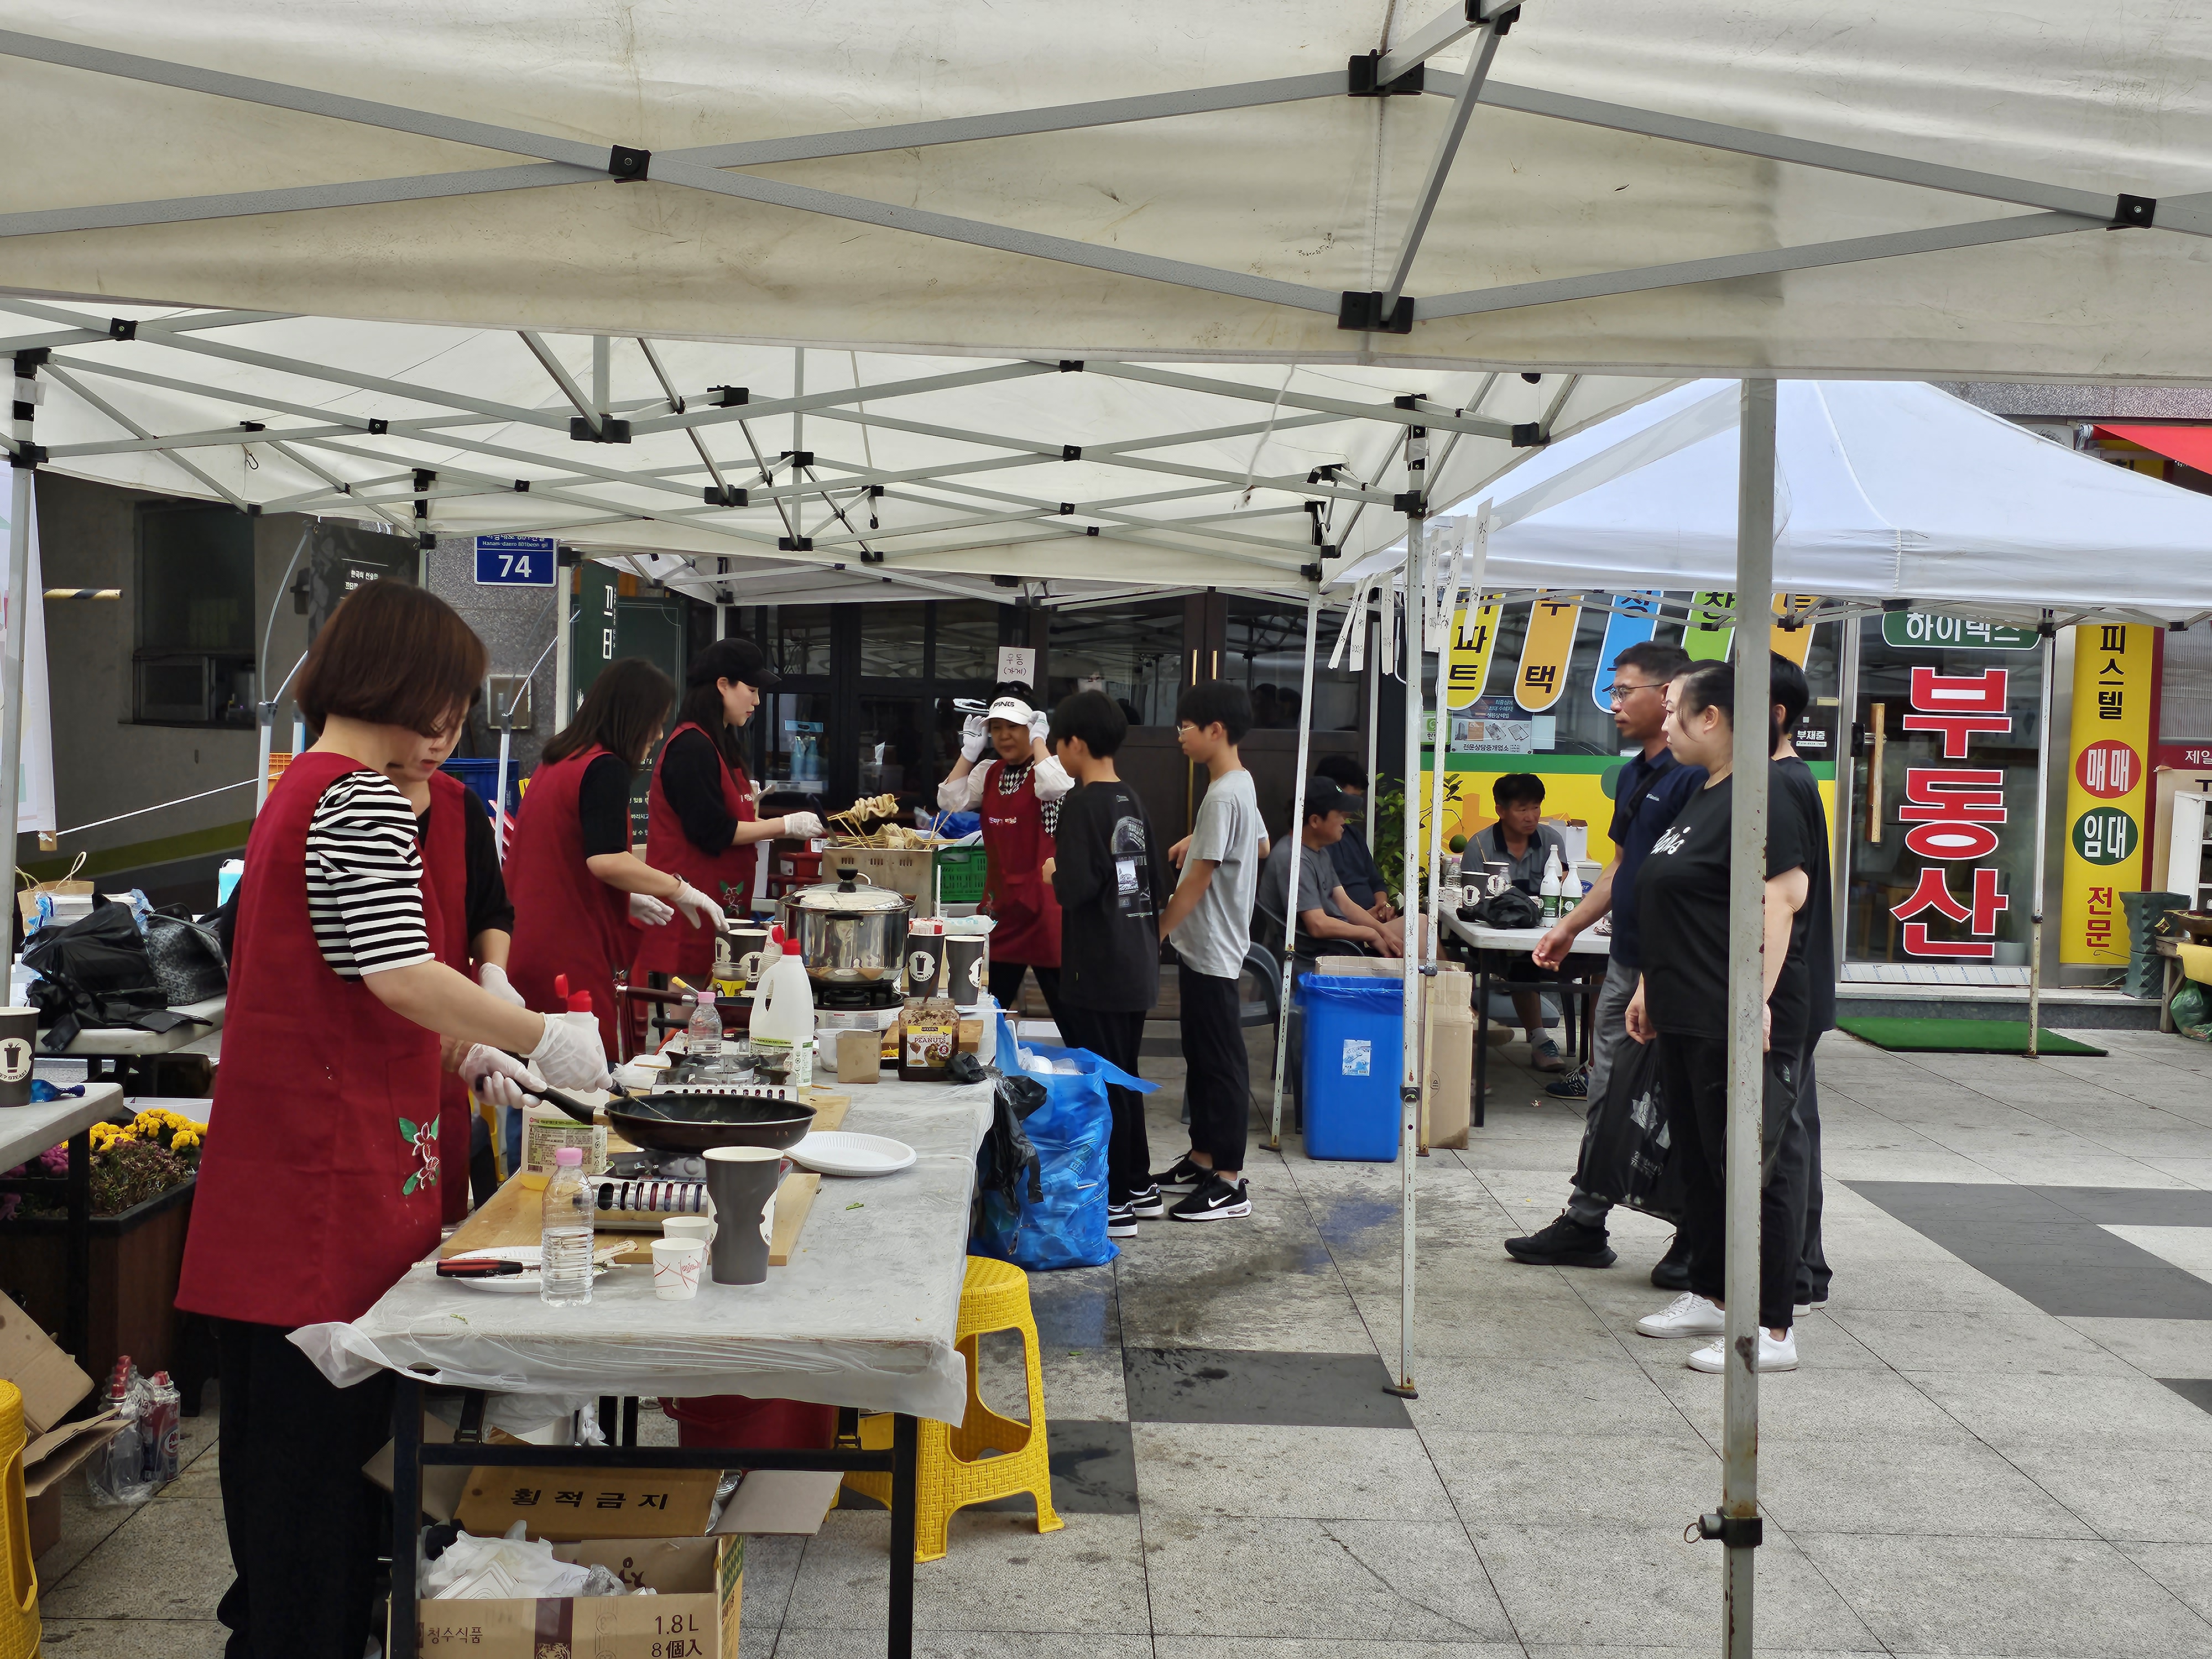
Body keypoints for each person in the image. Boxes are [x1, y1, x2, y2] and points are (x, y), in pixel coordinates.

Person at [174, 581, 609, 1659]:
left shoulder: (301, 788)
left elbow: (356, 982)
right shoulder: (357, 797)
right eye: (451, 706)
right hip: (312, 1224)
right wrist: (532, 1034)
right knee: (310, 1536)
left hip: (291, 1205)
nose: (454, 734)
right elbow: (397, 972)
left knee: (298, 1520)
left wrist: (467, 1047)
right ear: (409, 690)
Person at [1625, 660, 1820, 1374]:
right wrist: (1649, 984)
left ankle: (1771, 1328)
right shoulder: (1704, 789)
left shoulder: (1767, 790)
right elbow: (1682, 896)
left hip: (1730, 1011)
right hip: (1685, 1005)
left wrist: (1755, 1005)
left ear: (1713, 719)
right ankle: (1711, 1291)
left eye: (1676, 712)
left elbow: (1781, 899)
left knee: (1751, 1167)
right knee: (1706, 1164)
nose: (1665, 723)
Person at [1504, 640, 1697, 1267]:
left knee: (1680, 1102)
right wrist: (1570, 928)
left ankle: (1694, 1235)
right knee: (1609, 1094)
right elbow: (1620, 867)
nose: (1612, 704)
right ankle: (1586, 1221)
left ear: (1668, 694)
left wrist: (1659, 971)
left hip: (1676, 969)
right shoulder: (1638, 773)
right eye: (1611, 691)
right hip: (1628, 963)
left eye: (1623, 691)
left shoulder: (1694, 774)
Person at [507, 658, 726, 1055]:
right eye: (656, 721)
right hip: (566, 952)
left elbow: (568, 854)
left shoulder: (560, 758)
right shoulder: (603, 767)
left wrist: (624, 897)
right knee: (580, 1079)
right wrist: (679, 889)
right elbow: (605, 860)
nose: (658, 735)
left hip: (526, 943)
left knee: (537, 1083)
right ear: (631, 716)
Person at [1045, 690, 1171, 1238]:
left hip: (1095, 964)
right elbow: (1154, 884)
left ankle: (1116, 1197)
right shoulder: (1132, 799)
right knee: (1124, 1073)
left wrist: (1052, 872)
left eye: (1058, 741)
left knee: (1101, 1078)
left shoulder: (1080, 803)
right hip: (1136, 958)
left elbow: (1074, 889)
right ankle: (1138, 1183)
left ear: (1074, 743)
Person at [384, 718, 522, 1222]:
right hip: (376, 1055)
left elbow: (492, 910)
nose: (440, 740)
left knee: (435, 1217)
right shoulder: (345, 810)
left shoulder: (460, 805)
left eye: (456, 723)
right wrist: (540, 1035)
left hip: (447, 1052)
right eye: (427, 723)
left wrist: (494, 975)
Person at [634, 637, 824, 987]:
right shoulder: (691, 747)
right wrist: (784, 826)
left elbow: (733, 821)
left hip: (719, 903)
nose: (756, 700)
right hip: (690, 906)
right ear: (723, 685)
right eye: (750, 689)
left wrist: (762, 818)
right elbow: (713, 831)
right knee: (691, 1013)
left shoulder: (720, 744)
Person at [1154, 682, 1266, 1222]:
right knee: (1201, 1058)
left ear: (1214, 731)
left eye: (1186, 726)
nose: (1179, 736)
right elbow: (1259, 844)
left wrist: (1155, 930)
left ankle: (1229, 1180)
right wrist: (1195, 838)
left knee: (1220, 1064)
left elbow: (1197, 881)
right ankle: (1202, 1159)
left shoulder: (1223, 794)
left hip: (1214, 948)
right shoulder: (1237, 784)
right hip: (1207, 948)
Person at [1769, 653, 1836, 1314]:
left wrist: (1761, 996)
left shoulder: (1783, 783)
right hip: (1792, 989)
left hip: (1786, 991)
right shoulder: (1783, 777)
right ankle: (1801, 1266)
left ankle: (1796, 1273)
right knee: (1791, 1130)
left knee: (1785, 1135)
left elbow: (1783, 900)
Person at [938, 685, 1068, 1021]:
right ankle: (986, 1073)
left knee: (1071, 1017)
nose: (1004, 736)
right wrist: (969, 754)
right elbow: (951, 803)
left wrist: (1040, 740)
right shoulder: (989, 773)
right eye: (997, 728)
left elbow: (1055, 787)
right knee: (987, 1012)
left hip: (1044, 912)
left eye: (1014, 727)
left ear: (1033, 727)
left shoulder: (1047, 771)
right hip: (1002, 912)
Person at [1468, 773, 1571, 1071]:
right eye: (1522, 809)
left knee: (1596, 970)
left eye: (1536, 807)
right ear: (1500, 810)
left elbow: (1563, 888)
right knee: (1524, 965)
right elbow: (1474, 903)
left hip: (1546, 933)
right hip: (1498, 940)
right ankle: (1540, 1039)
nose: (1531, 816)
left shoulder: (1552, 841)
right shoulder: (1481, 846)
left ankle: (1597, 1060)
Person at [1258, 776, 1409, 958]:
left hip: (1337, 946)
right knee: (1419, 933)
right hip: (1316, 957)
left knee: (1419, 927)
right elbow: (1318, 925)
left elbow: (1344, 903)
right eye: (1339, 814)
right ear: (1315, 821)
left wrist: (1383, 932)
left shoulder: (1318, 851)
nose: (1344, 821)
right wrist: (1370, 934)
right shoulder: (1294, 859)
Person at [1313, 753, 1397, 924]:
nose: (1352, 808)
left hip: (1372, 921)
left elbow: (1376, 881)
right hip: (1349, 926)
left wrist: (1383, 906)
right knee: (1422, 927)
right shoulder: (1314, 846)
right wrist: (1367, 922)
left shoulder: (1353, 835)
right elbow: (1331, 902)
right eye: (1350, 799)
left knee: (1422, 927)